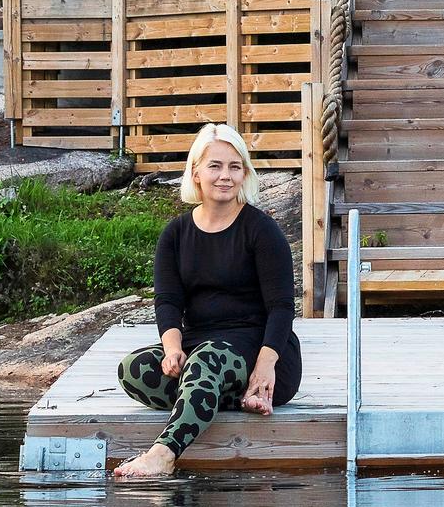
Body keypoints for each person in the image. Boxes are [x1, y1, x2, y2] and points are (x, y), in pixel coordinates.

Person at [112, 122, 302, 481]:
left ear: (244, 173)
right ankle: (226, 398)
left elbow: (281, 308)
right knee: (133, 369)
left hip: (261, 351)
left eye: (235, 167)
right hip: (202, 346)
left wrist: (264, 368)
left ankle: (163, 455)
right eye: (215, 166)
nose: (225, 176)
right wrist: (171, 349)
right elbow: (168, 301)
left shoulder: (262, 230)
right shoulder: (175, 234)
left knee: (204, 364)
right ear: (196, 172)